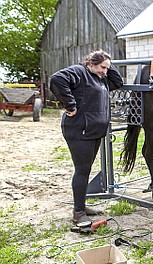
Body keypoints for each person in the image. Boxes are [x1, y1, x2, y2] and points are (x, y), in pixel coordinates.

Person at [50, 50, 123, 225]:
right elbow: (56, 79)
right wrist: (70, 105)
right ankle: (78, 212)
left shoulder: (100, 78)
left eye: (107, 68)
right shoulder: (79, 72)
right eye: (101, 67)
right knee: (82, 171)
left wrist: (107, 64)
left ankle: (81, 205)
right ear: (90, 63)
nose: (104, 71)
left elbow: (118, 82)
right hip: (79, 130)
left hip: (93, 131)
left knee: (86, 169)